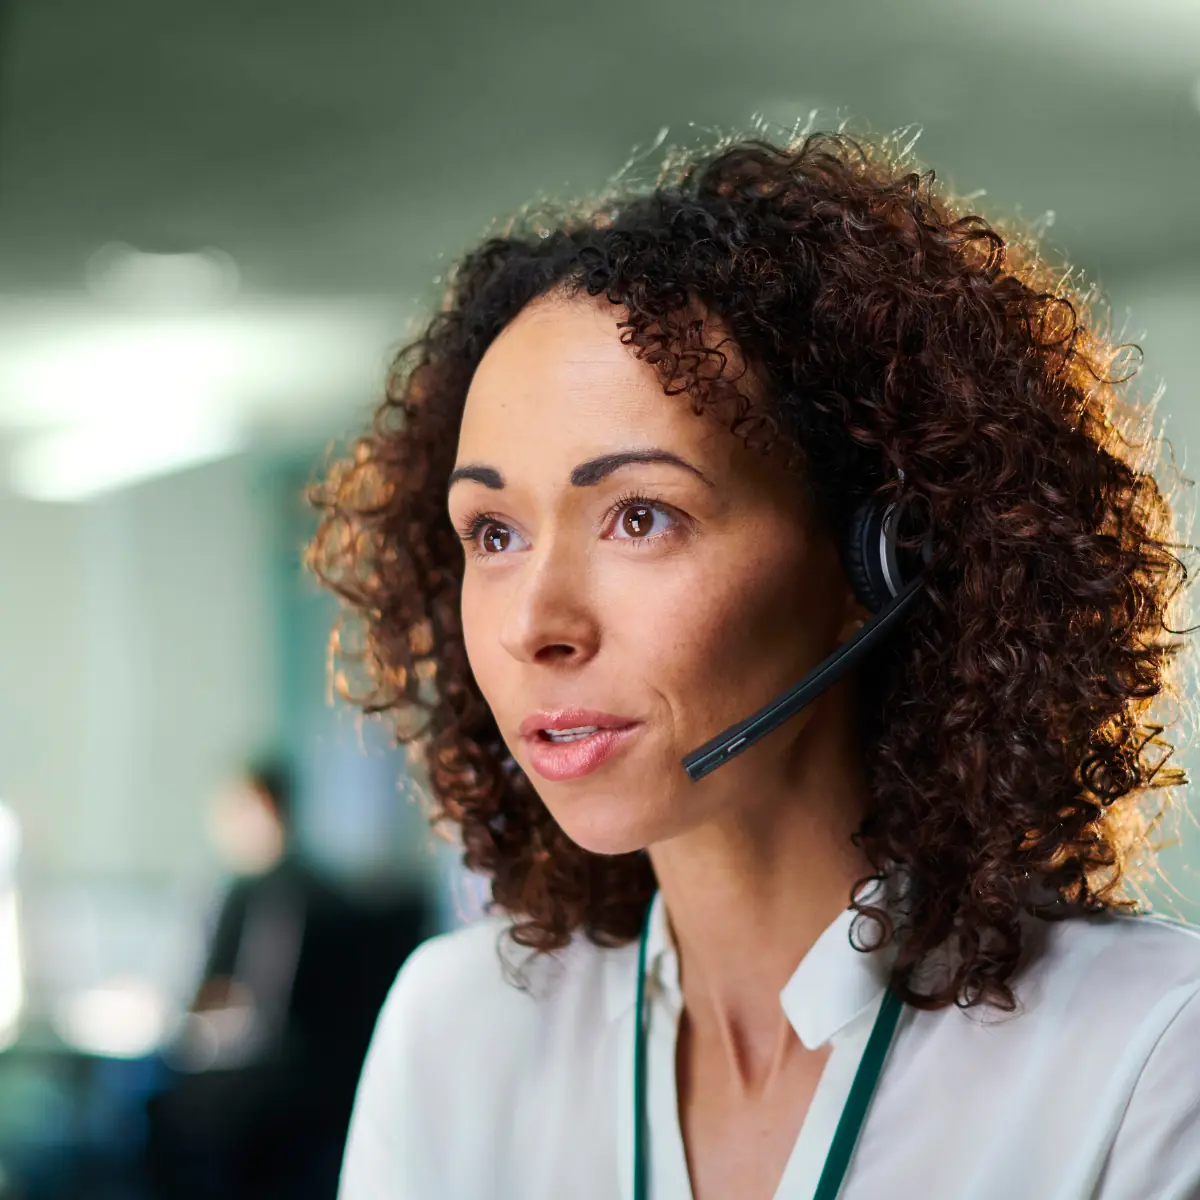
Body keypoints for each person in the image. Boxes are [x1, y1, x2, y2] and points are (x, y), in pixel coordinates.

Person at [306, 130, 1200, 1199]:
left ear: (882, 561)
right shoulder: (458, 1031)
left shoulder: (1149, 1050)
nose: (533, 624)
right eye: (494, 534)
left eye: (640, 516)